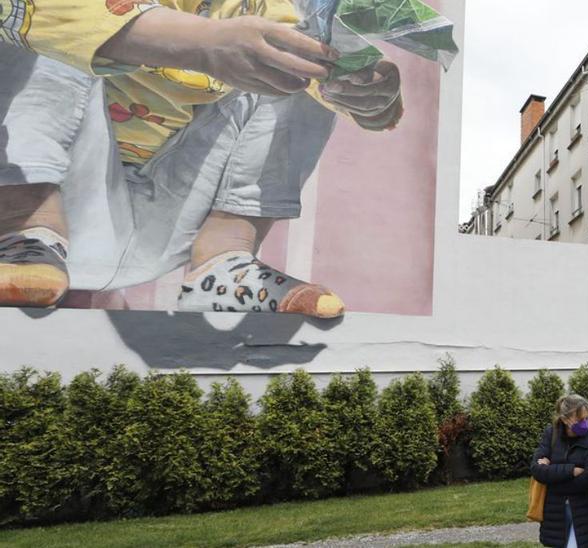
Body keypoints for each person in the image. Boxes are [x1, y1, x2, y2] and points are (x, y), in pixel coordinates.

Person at [0, 0, 412, 317]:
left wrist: (372, 96)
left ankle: (225, 262)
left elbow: (341, 83)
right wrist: (201, 42)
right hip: (55, 203)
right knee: (26, 21)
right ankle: (22, 225)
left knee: (303, 50)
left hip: (167, 226)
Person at [530, 395, 588, 548]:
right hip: (555, 513)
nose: (585, 423)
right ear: (565, 419)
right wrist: (571, 470)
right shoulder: (551, 434)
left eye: (587, 418)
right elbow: (537, 470)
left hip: (584, 512)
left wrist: (552, 477)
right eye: (580, 419)